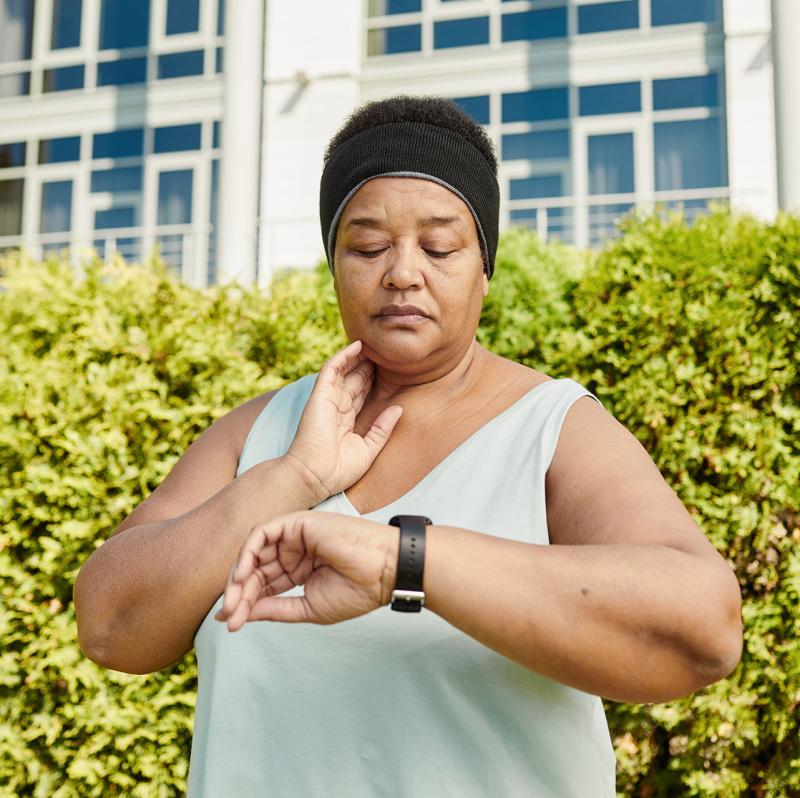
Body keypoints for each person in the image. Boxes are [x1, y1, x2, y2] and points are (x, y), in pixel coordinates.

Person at [74, 96, 743, 797]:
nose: (401, 272)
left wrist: (406, 559)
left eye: (440, 246)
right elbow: (111, 627)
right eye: (367, 247)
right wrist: (292, 477)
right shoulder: (258, 433)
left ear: (485, 266)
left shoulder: (550, 429)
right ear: (334, 265)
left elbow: (702, 632)